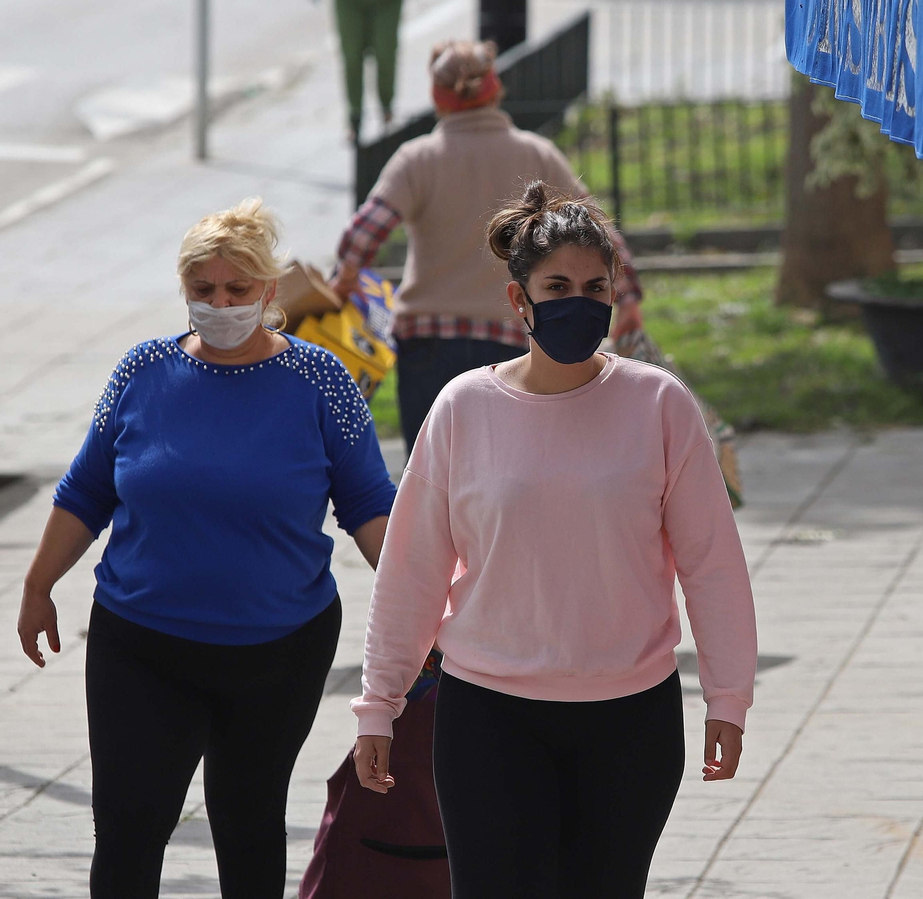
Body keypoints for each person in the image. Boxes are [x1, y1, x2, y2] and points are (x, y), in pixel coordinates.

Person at [349, 183, 758, 898]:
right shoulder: (463, 408)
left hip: (630, 719)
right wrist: (379, 701)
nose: (580, 301)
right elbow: (412, 569)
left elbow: (713, 566)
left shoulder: (659, 404)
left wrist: (728, 697)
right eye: (558, 286)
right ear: (519, 301)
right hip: (487, 716)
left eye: (595, 286)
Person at [14, 198, 396, 899]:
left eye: (236, 290)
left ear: (269, 291)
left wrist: (425, 606)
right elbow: (87, 488)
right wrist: (38, 584)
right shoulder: (143, 371)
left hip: (279, 647)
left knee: (248, 822)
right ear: (184, 290)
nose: (219, 304)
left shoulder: (321, 381)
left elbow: (371, 506)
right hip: (142, 641)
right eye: (203, 291)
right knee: (129, 826)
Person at [330, 38, 645, 455]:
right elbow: (596, 230)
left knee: (432, 474)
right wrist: (630, 299)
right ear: (496, 90)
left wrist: (346, 280)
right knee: (510, 468)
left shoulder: (417, 158)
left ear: (436, 96)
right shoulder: (536, 154)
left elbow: (364, 235)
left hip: (428, 343)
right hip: (510, 336)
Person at [334, 0, 405, 141]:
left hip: (386, 5)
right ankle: (355, 118)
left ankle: (387, 112)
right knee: (351, 57)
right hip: (349, 4)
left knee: (386, 54)